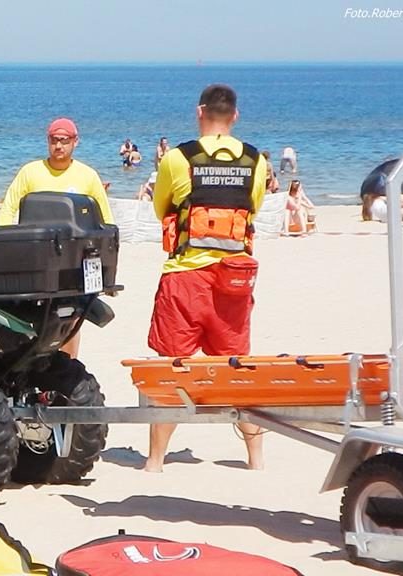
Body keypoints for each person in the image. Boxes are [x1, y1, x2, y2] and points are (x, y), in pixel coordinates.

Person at [146, 84, 267, 473]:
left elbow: (161, 208)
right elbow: (254, 207)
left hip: (185, 275)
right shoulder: (255, 160)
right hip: (234, 279)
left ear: (200, 112)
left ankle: (155, 462)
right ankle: (256, 460)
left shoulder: (177, 158)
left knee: (172, 367)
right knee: (237, 367)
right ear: (235, 115)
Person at [0, 117, 114, 358]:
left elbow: (105, 222)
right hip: (34, 259)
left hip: (73, 262)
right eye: (54, 140)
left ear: (75, 141)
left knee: (70, 319)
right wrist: (6, 247)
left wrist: (107, 271)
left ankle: (67, 366)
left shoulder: (87, 176)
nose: (58, 146)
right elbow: (8, 209)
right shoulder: (30, 172)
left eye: (64, 140)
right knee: (33, 319)